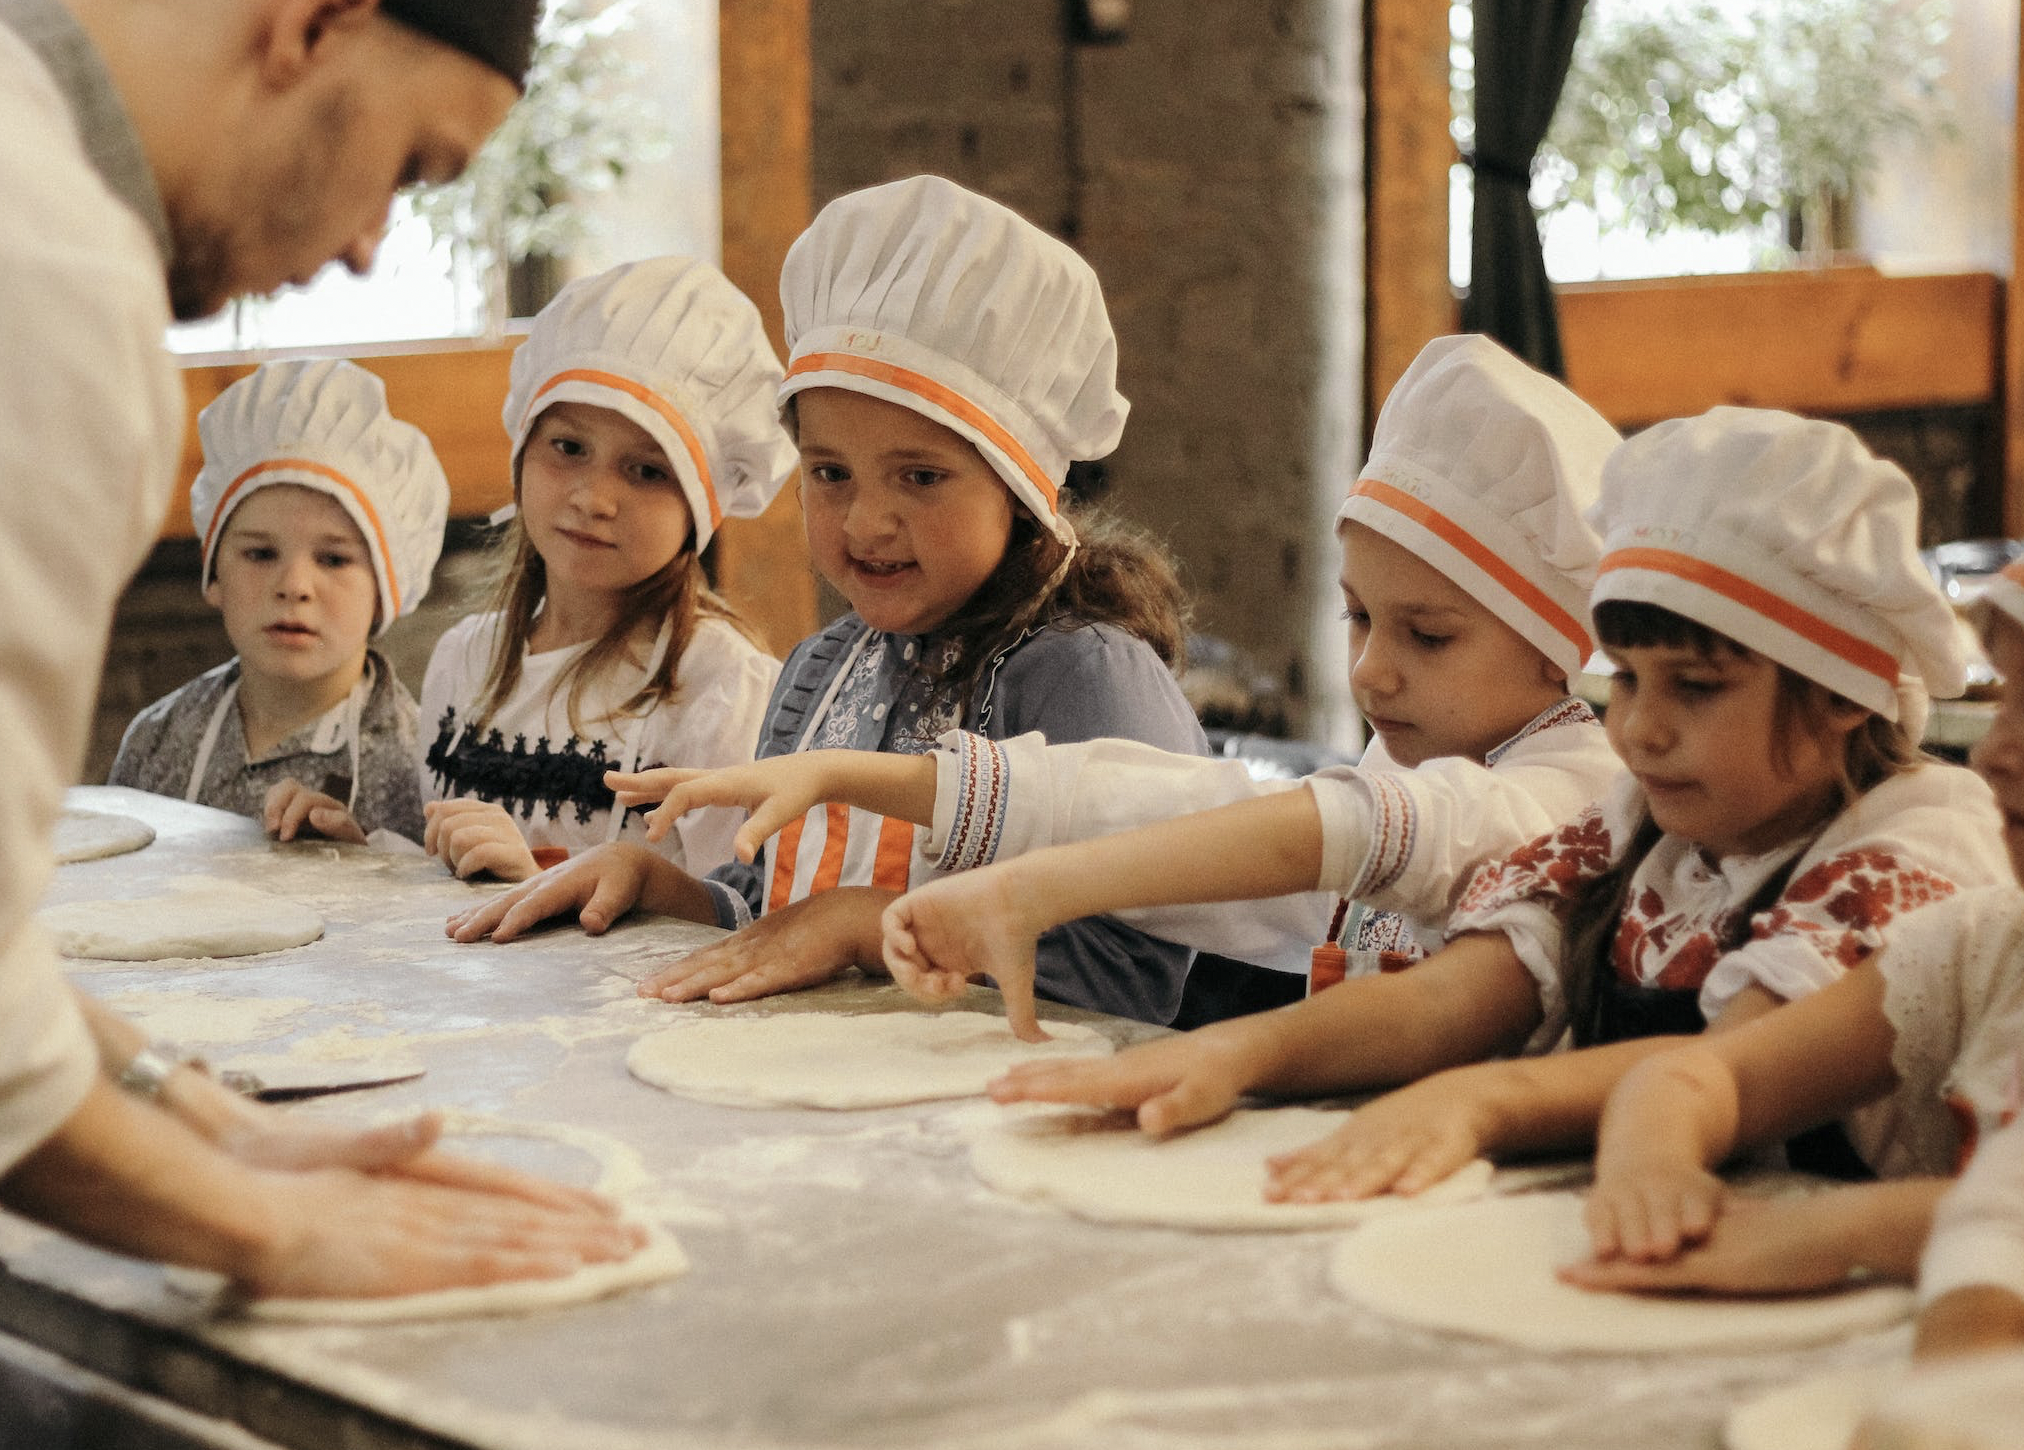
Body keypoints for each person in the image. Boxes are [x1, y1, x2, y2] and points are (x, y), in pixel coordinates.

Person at [0, 0, 643, 1301]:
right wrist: (273, 1226)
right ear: (316, 24)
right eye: (409, 167)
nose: (370, 247)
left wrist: (203, 1110)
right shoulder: (24, 268)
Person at [929, 409, 2007, 1174]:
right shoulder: (1647, 829)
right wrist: (1232, 1055)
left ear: (1840, 704)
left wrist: (1479, 1097)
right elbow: (1458, 995)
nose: (1639, 726)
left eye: (1697, 687)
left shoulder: (1912, 839)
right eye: (1624, 681)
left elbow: (1732, 1071)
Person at [614, 332, 1627, 1034]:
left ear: (1560, 645)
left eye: (1428, 635)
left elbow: (1313, 829)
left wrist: (1015, 894)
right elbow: (1164, 808)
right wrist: (854, 776)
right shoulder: (1418, 745)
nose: (1370, 670)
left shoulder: (1555, 796)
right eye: (1356, 618)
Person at [448, 174, 1210, 1027]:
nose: (867, 521)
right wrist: (660, 886)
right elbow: (768, 903)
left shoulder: (1081, 673)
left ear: (1021, 491)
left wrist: (868, 929)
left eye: (919, 477)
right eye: (829, 473)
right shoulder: (821, 668)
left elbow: (1136, 977)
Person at [1558, 554, 2024, 1365]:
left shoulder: (1921, 843)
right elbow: (1705, 1074)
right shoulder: (1987, 944)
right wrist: (1655, 1158)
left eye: (1696, 684)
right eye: (2010, 702)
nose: (1994, 756)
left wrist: (1843, 1229)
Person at [411, 256, 789, 883]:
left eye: (645, 470)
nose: (593, 498)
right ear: (523, 450)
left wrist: (536, 876)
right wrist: (360, 847)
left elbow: (735, 915)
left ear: (701, 505)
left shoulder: (719, 686)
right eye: (569, 448)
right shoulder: (462, 660)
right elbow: (433, 859)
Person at [109, 358, 442, 844]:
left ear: (386, 593)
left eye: (332, 559)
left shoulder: (420, 767)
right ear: (213, 576)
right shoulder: (157, 741)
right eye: (261, 553)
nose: (294, 585)